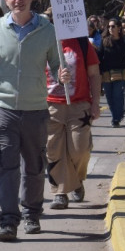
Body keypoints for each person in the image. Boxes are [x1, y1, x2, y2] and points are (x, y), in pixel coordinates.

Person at [0, 0, 66, 242]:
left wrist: (63, 75)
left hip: (36, 109)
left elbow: (56, 66)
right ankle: (8, 220)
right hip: (3, 108)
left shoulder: (48, 30)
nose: (18, 0)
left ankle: (32, 214)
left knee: (35, 167)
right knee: (5, 165)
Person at [45, 33, 101, 210]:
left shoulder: (82, 43)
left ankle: (76, 181)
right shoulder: (44, 41)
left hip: (79, 105)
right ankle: (60, 192)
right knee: (53, 150)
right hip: (50, 104)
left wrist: (96, 103)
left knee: (80, 149)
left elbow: (94, 74)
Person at [96, 17, 125, 127]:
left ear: (119, 28)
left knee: (117, 95)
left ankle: (116, 119)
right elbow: (99, 56)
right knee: (109, 97)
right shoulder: (104, 41)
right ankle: (117, 115)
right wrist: (98, 71)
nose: (110, 28)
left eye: (113, 26)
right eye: (109, 26)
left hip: (121, 73)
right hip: (107, 73)